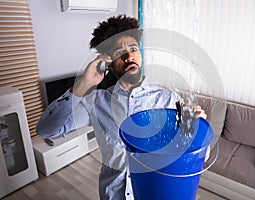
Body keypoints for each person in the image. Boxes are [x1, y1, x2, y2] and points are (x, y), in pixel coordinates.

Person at [36, 14, 206, 200]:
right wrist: (83, 83)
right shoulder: (95, 102)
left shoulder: (167, 99)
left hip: (157, 193)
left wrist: (195, 129)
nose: (128, 56)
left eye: (133, 49)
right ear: (108, 62)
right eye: (119, 53)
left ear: (140, 54)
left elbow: (198, 158)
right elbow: (46, 130)